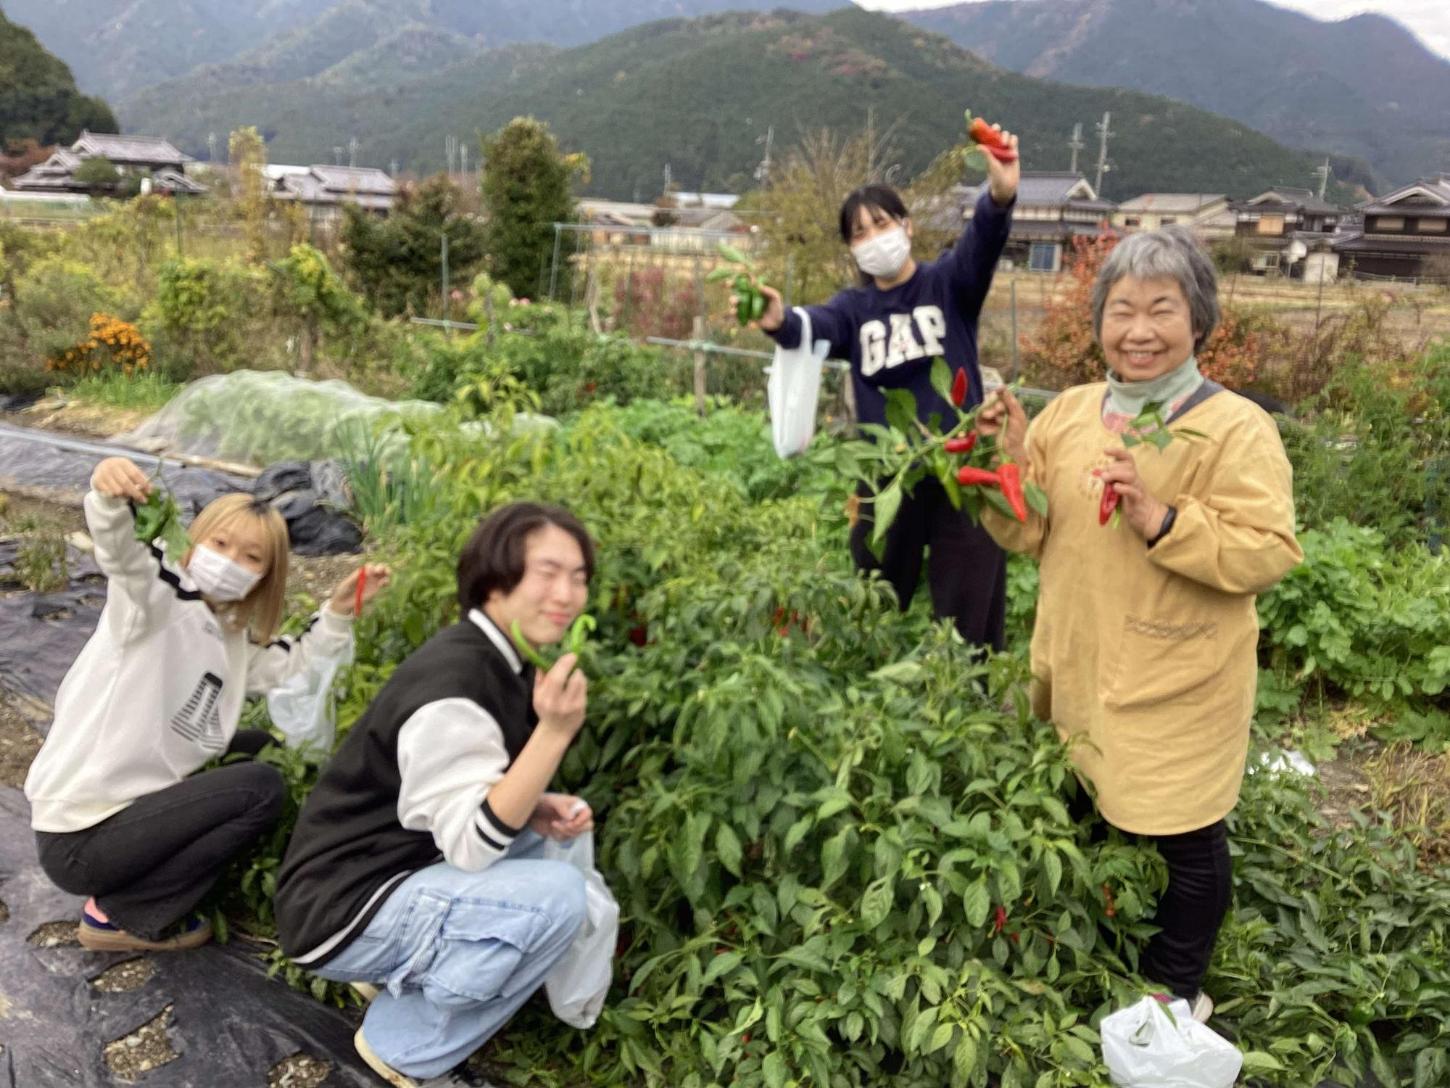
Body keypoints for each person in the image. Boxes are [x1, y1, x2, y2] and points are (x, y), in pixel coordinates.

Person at [975, 225, 1303, 1020]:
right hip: (1080, 653)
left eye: (1163, 309)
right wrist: (1003, 466)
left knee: (1186, 834)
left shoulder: (1233, 427)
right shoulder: (1074, 413)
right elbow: (1031, 532)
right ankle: (1104, 935)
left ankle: (1176, 986)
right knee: (1086, 802)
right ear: (1099, 323)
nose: (1140, 330)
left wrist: (1162, 519)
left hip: (1177, 674)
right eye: (1121, 310)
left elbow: (1268, 548)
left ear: (1199, 319)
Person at [275, 501, 600, 1088]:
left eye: (578, 577)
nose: (568, 592)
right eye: (547, 573)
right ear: (495, 580)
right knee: (559, 897)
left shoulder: (501, 657)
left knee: (539, 845)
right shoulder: (457, 683)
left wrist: (538, 804)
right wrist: (555, 732)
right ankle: (403, 1046)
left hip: (370, 875)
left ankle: (398, 967)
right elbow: (473, 846)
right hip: (342, 907)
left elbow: (462, 793)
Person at [23, 456, 388, 953]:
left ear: (266, 575)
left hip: (115, 820)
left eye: (252, 557)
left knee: (256, 747)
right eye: (220, 544)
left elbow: (290, 666)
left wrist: (339, 612)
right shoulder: (156, 601)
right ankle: (123, 915)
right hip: (80, 836)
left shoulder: (230, 636)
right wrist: (108, 491)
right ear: (193, 542)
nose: (231, 562)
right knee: (261, 788)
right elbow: (125, 557)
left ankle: (133, 884)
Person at [755, 124, 1020, 651]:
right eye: (859, 232)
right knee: (876, 594)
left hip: (960, 469)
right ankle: (870, 681)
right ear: (851, 249)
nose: (874, 238)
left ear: (907, 226)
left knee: (970, 605)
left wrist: (1001, 194)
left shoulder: (949, 285)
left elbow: (982, 242)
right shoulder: (854, 311)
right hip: (887, 471)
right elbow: (811, 327)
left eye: (881, 223)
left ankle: (969, 700)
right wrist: (777, 319)